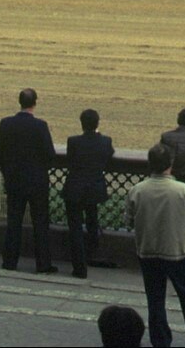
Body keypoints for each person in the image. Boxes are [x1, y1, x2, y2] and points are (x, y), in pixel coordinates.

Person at [126, 142, 185, 348]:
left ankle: (160, 341)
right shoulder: (183, 190)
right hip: (178, 252)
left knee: (155, 301)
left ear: (150, 164)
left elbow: (129, 221)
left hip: (148, 252)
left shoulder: (137, 190)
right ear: (170, 165)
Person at [0, 88, 56, 273]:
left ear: (19, 102)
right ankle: (43, 264)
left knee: (13, 222)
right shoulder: (40, 126)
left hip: (14, 181)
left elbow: (1, 154)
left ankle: (9, 262)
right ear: (34, 103)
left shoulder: (5, 124)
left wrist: (8, 174)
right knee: (40, 224)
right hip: (37, 182)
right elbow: (50, 155)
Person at [62, 108, 115, 278]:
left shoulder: (73, 142)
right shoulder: (106, 142)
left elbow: (71, 162)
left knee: (75, 228)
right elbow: (109, 156)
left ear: (81, 124)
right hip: (94, 189)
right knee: (92, 222)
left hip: (75, 188)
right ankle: (92, 255)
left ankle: (79, 267)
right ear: (97, 124)